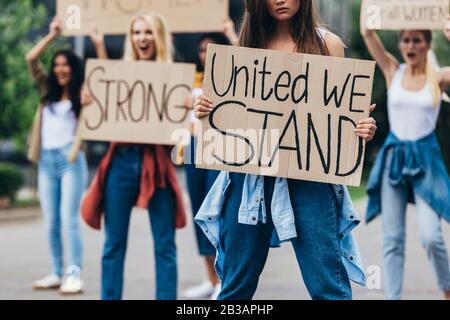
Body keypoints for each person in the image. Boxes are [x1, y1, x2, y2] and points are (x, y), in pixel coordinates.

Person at [193, 0, 378, 300]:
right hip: (250, 179)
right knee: (234, 290)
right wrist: (205, 108)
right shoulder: (245, 46)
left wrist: (361, 129)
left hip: (311, 180)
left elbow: (342, 123)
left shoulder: (328, 45)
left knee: (328, 288)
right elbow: (226, 114)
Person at [83, 12, 187, 300]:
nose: (143, 38)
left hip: (157, 162)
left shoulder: (175, 78)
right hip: (121, 161)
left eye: (149, 32)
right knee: (114, 243)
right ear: (132, 39)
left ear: (158, 37)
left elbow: (180, 135)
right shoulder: (120, 75)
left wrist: (189, 107)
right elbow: (100, 114)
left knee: (165, 244)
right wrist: (91, 101)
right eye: (137, 32)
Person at [362, 9, 450, 299]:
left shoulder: (438, 78)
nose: (411, 46)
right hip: (394, 158)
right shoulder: (392, 70)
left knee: (431, 235)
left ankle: (447, 287)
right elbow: (367, 34)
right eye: (407, 41)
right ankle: (393, 297)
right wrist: (370, 10)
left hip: (426, 158)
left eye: (417, 41)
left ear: (427, 44)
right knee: (393, 239)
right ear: (401, 44)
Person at [26, 17, 89, 294]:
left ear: (74, 69)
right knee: (50, 219)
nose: (60, 69)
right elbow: (30, 58)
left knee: (68, 218)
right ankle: (55, 271)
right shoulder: (47, 91)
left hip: (71, 160)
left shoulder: (83, 95)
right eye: (57, 65)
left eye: (66, 65)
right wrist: (52, 36)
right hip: (46, 160)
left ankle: (74, 273)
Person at [182, 29, 238, 300]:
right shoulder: (190, 80)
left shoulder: (233, 77)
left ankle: (225, 279)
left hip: (218, 147)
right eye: (203, 50)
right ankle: (211, 278)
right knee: (199, 211)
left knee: (218, 213)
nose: (207, 55)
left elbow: (253, 62)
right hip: (193, 148)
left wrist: (231, 33)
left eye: (213, 48)